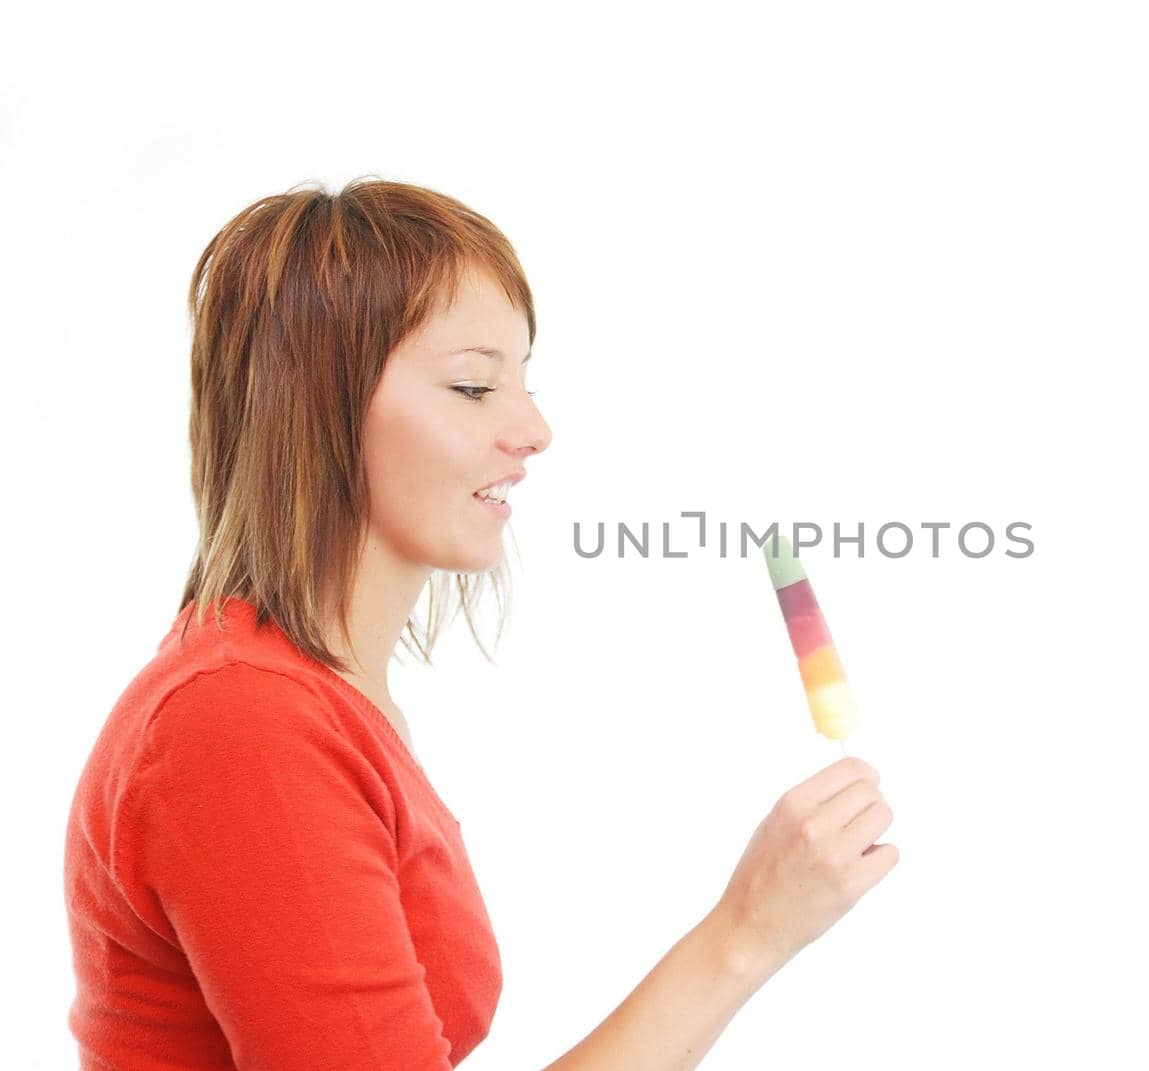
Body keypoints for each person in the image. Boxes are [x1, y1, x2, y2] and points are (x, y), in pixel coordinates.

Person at [61, 177, 899, 1070]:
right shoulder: (242, 725)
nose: (534, 428)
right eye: (472, 386)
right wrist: (745, 934)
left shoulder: (316, 700)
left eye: (524, 380)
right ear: (317, 405)